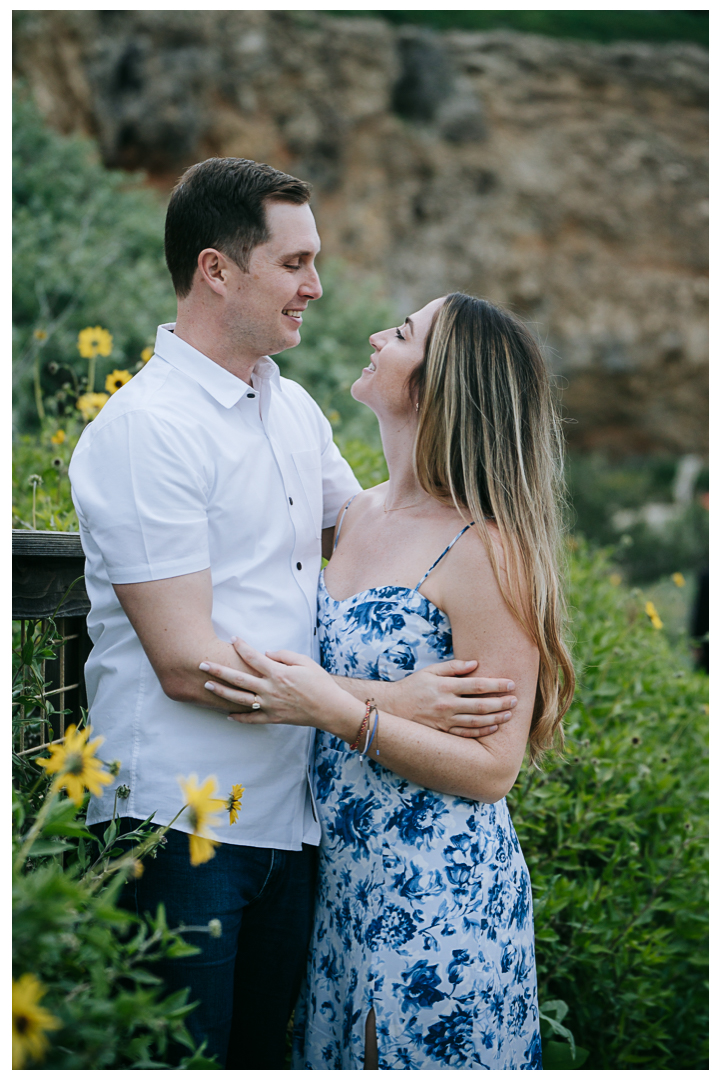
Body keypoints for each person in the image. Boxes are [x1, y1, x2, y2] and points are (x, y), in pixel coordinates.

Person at [68, 159, 519, 1069]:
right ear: (217, 271)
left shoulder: (293, 408)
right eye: (294, 263)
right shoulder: (145, 430)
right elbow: (185, 662)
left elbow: (377, 537)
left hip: (295, 830)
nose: (317, 287)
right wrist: (391, 703)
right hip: (180, 827)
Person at [201, 292, 575, 1069]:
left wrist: (347, 716)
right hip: (337, 879)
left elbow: (493, 769)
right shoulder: (359, 514)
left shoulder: (487, 548)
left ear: (439, 386)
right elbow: (322, 678)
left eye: (402, 334)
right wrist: (381, 701)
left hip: (437, 888)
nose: (376, 335)